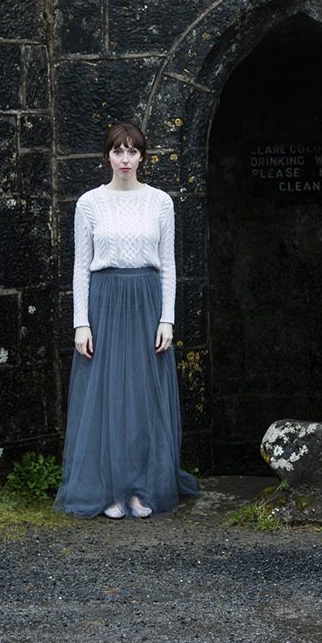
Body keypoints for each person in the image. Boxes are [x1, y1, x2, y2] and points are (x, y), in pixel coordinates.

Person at [54, 121, 197, 519]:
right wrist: (81, 323)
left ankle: (138, 489)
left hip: (147, 303)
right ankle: (110, 492)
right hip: (105, 304)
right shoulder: (90, 203)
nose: (125, 159)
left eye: (132, 151)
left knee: (142, 399)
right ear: (108, 156)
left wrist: (166, 319)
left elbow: (168, 265)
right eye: (118, 151)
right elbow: (81, 267)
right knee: (107, 398)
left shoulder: (160, 202)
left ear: (142, 157)